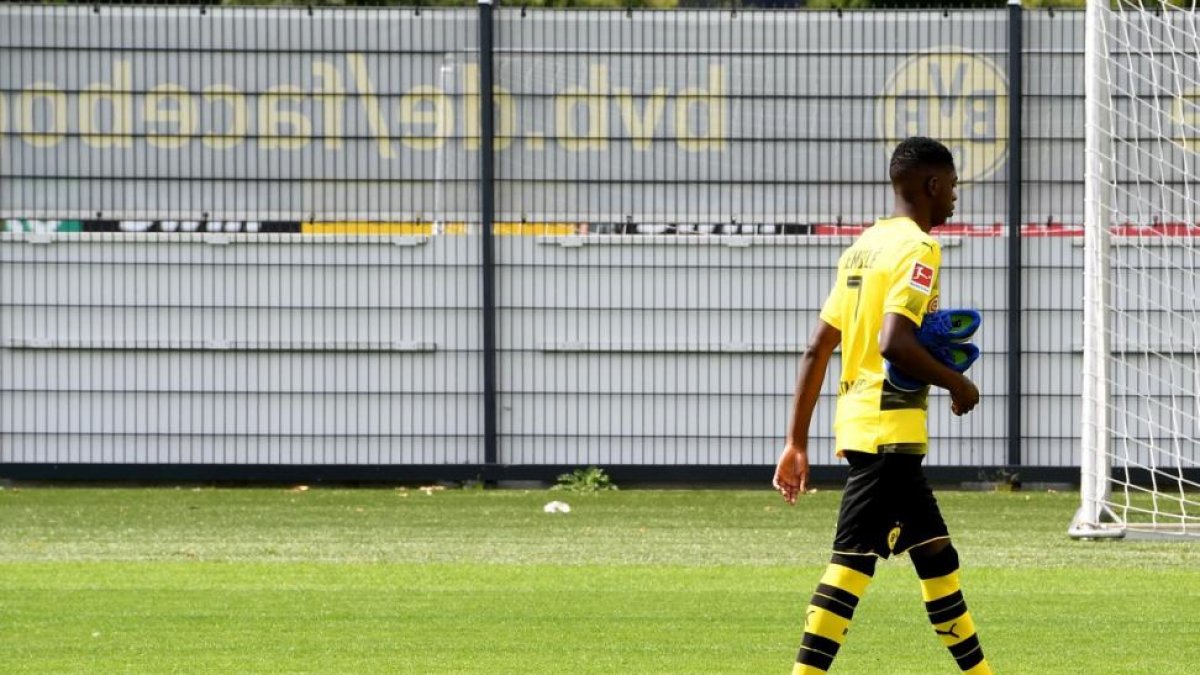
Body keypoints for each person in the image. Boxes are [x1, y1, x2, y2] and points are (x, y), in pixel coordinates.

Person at [773, 137, 991, 674]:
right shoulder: (919, 248)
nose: (956, 197)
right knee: (849, 565)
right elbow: (895, 343)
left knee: (938, 559)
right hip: (889, 430)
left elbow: (819, 346)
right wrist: (957, 384)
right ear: (932, 184)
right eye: (954, 185)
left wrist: (796, 442)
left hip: (861, 425)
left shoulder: (862, 247)